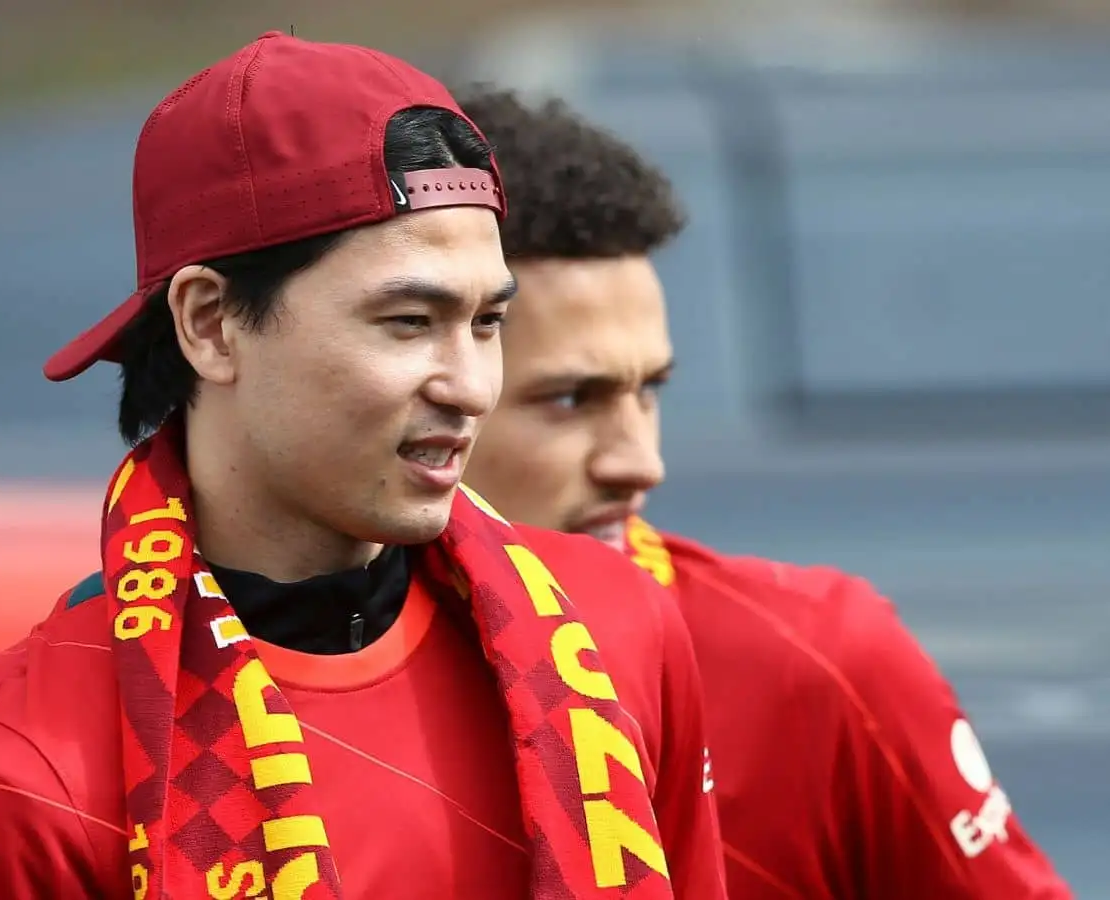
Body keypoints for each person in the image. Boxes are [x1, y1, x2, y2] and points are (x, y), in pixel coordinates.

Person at [0, 34, 728, 900]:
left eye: (484, 323)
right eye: (408, 321)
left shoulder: (615, 633)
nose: (471, 386)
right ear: (210, 323)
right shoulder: (25, 775)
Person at [455, 86, 1076, 899]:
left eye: (650, 390)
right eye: (570, 400)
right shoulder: (263, 673)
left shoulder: (816, 662)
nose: (640, 463)